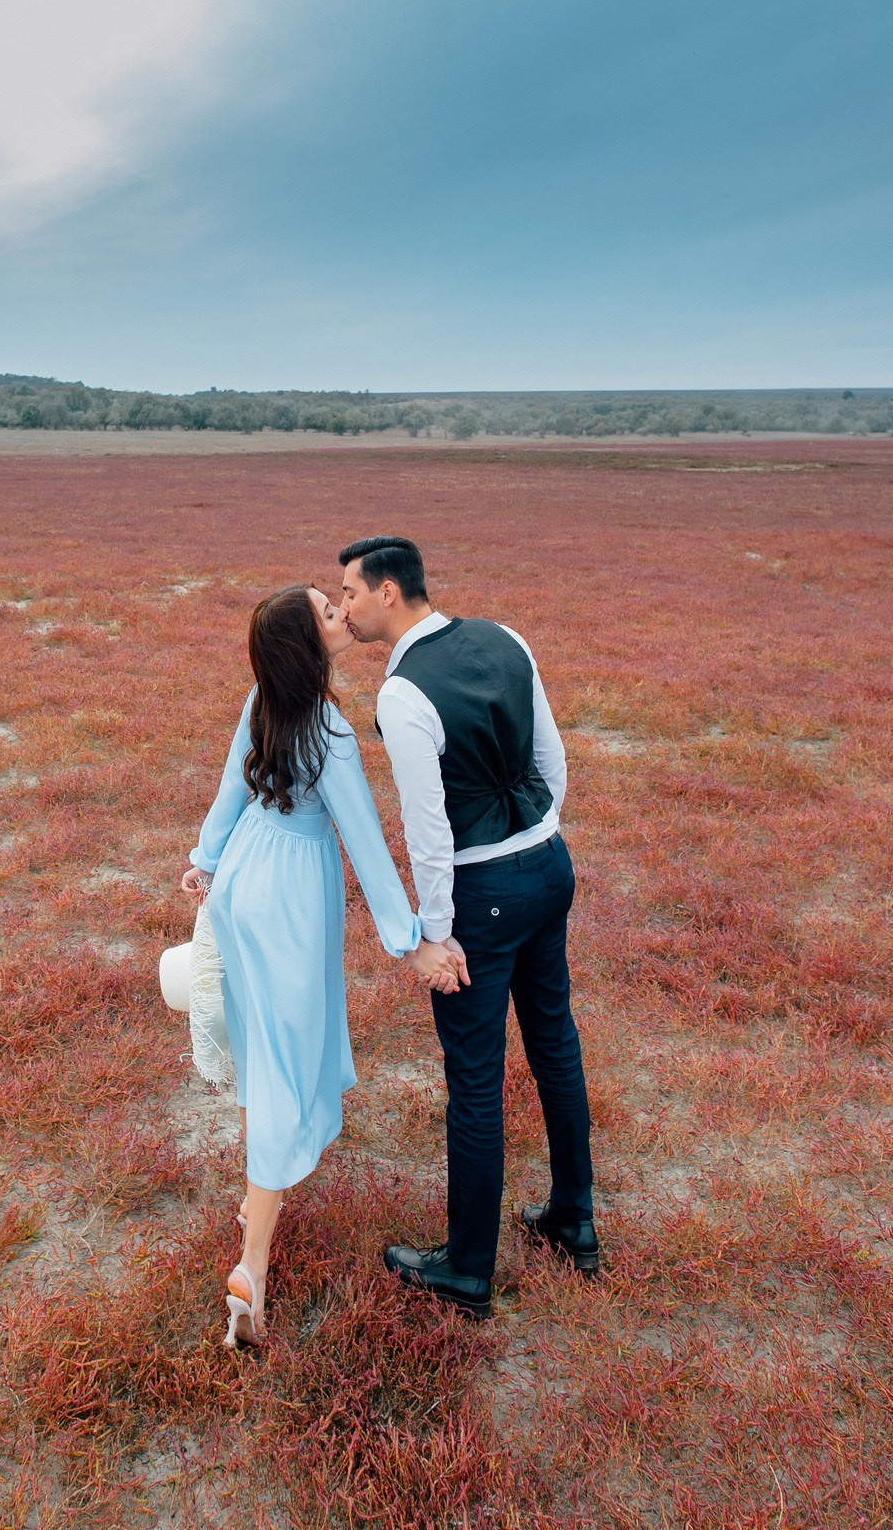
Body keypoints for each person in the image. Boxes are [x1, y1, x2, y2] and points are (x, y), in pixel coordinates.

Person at [181, 584, 462, 1348]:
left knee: (258, 1045)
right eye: (327, 613)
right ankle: (253, 1265)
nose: (342, 615)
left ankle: (252, 1203)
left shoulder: (260, 700)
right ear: (310, 648)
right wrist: (412, 940)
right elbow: (367, 845)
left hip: (241, 884)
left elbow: (228, 791)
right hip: (289, 903)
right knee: (284, 1063)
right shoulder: (330, 731)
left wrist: (206, 861)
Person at [338, 536, 598, 1321]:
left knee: (477, 1080)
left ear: (389, 592)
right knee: (555, 1041)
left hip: (481, 893)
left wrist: (436, 934)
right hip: (548, 866)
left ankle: (469, 1269)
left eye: (347, 591)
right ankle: (573, 1221)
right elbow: (552, 762)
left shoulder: (402, 691)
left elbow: (428, 832)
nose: (342, 605)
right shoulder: (504, 635)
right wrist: (535, 837)